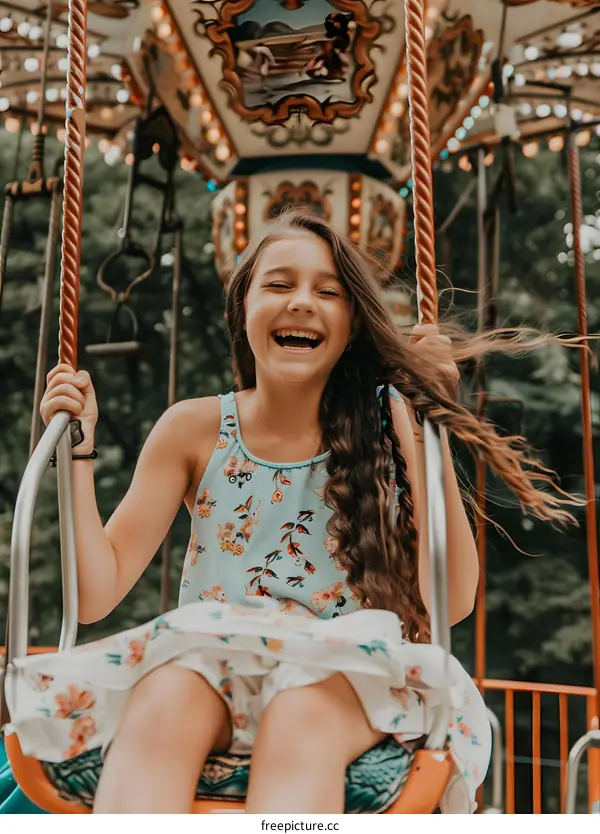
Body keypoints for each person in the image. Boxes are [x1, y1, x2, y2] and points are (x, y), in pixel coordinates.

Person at [6, 212, 577, 814]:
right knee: (164, 696)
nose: (302, 302)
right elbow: (94, 595)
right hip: (216, 666)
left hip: (344, 679)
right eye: (278, 285)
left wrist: (426, 419)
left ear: (353, 323)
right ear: (241, 309)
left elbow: (451, 600)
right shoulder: (193, 429)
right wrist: (79, 452)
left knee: (300, 709)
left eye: (328, 291)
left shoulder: (390, 423)